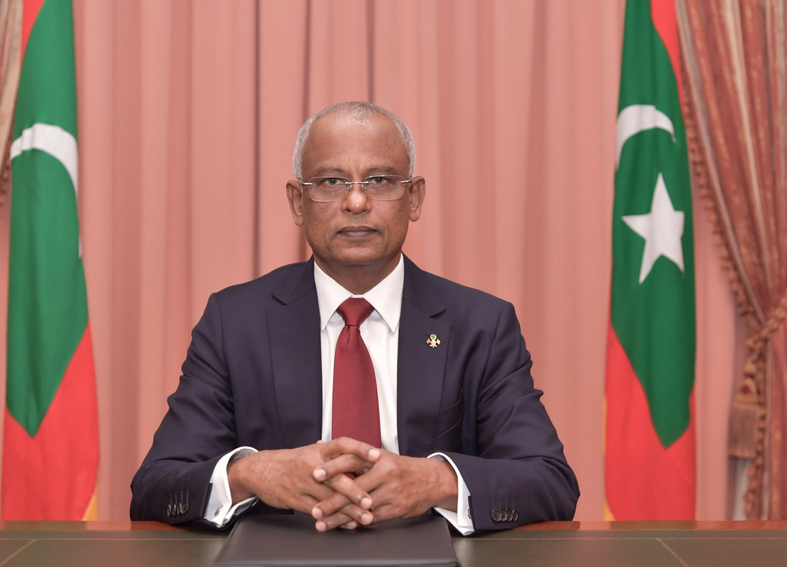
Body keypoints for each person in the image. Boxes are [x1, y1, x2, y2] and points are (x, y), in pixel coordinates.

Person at [129, 101, 579, 534]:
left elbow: (550, 482)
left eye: (380, 180)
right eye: (331, 182)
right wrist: (251, 473)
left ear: (415, 198)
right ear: (297, 202)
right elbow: (155, 487)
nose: (357, 201)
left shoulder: (481, 325)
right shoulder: (235, 322)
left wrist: (435, 482)